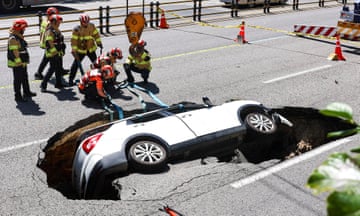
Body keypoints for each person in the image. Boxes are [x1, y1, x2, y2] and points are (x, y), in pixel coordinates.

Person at [69, 13, 103, 86]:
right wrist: (74, 51)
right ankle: (70, 80)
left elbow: (96, 35)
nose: (86, 24)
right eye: (84, 23)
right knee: (75, 65)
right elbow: (74, 41)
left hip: (90, 49)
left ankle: (99, 77)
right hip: (81, 51)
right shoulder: (76, 29)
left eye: (87, 22)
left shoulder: (92, 26)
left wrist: (99, 43)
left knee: (96, 64)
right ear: (81, 22)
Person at [35, 7, 68, 80]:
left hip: (45, 42)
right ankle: (39, 74)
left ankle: (59, 70)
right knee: (49, 59)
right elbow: (50, 35)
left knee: (50, 58)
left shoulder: (45, 21)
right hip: (49, 43)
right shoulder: (49, 23)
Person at [7, 18, 36, 102]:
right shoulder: (13, 39)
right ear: (19, 28)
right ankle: (18, 96)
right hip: (17, 62)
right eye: (23, 28)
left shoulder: (17, 36)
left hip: (22, 61)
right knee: (18, 79)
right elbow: (15, 52)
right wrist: (19, 61)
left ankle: (27, 92)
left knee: (24, 77)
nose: (24, 30)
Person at [40, 14, 66, 92]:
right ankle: (43, 84)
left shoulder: (56, 29)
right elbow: (49, 42)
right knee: (52, 69)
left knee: (58, 69)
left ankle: (58, 83)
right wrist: (55, 52)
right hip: (53, 54)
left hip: (58, 53)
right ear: (54, 22)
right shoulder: (50, 31)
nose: (59, 24)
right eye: (58, 22)